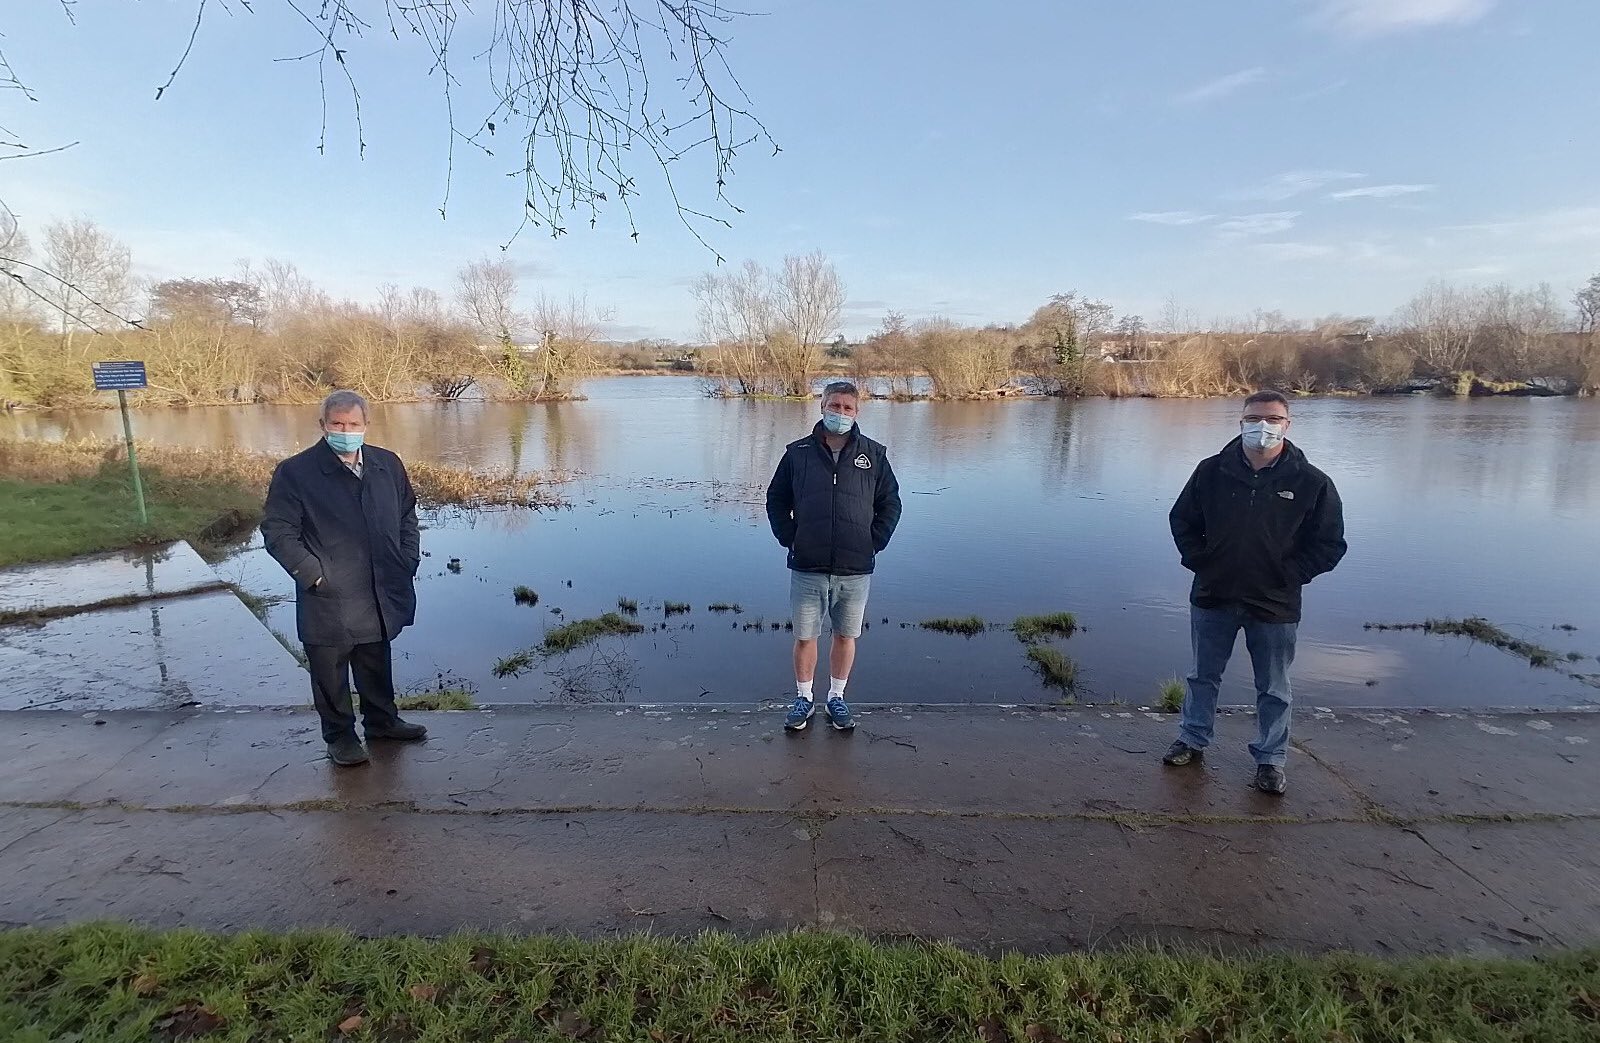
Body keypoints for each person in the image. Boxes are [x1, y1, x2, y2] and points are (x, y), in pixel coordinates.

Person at [1163, 389, 1347, 794]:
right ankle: (1192, 740)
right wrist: (1202, 561)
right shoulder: (1211, 471)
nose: (1262, 426)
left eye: (1273, 419)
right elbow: (1182, 521)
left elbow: (1330, 544)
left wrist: (1289, 573)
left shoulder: (1312, 482)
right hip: (1214, 594)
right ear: (1241, 422)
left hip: (1275, 602)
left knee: (1275, 687)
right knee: (1202, 677)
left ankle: (1270, 759)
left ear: (1287, 425)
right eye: (1254, 418)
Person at [262, 390, 428, 766]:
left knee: (375, 657)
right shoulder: (296, 472)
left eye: (353, 424)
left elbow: (407, 515)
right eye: (337, 424)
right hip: (329, 591)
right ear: (322, 425)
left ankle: (382, 722)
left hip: (379, 584)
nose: (345, 431)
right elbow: (278, 531)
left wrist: (407, 558)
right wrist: (314, 576)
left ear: (366, 425)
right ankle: (339, 737)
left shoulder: (387, 464)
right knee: (329, 669)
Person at [765, 381, 902, 732]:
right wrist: (790, 537)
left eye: (847, 408)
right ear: (822, 406)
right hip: (807, 564)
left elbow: (891, 504)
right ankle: (804, 698)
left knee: (845, 635)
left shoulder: (874, 454)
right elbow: (776, 500)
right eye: (834, 406)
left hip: (855, 567)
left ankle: (836, 698)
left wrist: (875, 541)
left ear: (856, 412)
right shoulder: (797, 454)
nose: (839, 413)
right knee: (806, 636)